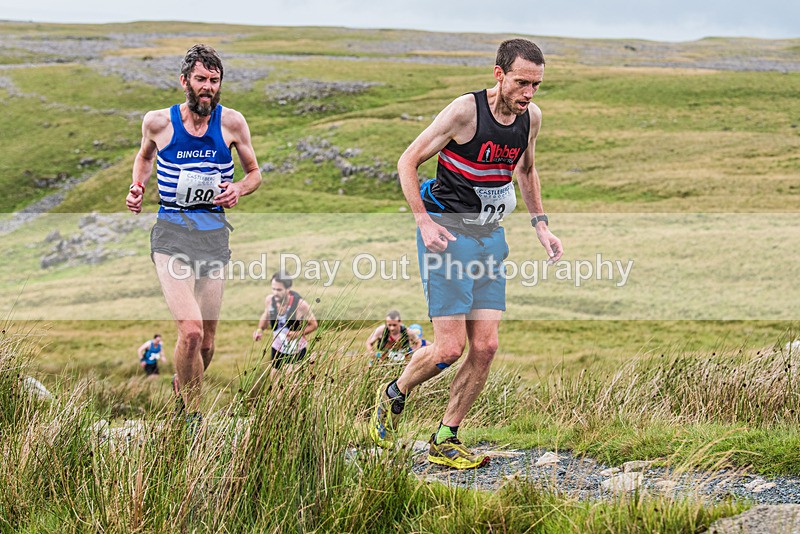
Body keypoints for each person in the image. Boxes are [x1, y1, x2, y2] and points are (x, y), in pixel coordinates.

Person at [370, 39, 563, 469]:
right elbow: (408, 161)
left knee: (487, 346)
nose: (528, 93)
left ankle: (445, 436)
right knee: (449, 348)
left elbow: (527, 170)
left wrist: (541, 224)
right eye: (521, 82)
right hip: (448, 235)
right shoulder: (465, 112)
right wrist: (423, 221)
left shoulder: (531, 118)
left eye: (536, 84)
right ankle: (395, 393)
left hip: (490, 238)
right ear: (499, 74)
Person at [126, 44, 262, 424]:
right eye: (200, 79)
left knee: (206, 343)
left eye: (214, 81)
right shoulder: (158, 122)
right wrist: (137, 186)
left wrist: (239, 188)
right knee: (189, 331)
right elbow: (145, 156)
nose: (207, 88)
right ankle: (192, 421)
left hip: (214, 237)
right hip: (171, 233)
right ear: (184, 81)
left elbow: (254, 173)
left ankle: (182, 384)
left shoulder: (232, 123)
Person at [253, 273, 318, 376]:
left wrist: (297, 333)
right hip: (277, 347)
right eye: (273, 289)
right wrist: (260, 330)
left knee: (290, 378)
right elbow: (266, 315)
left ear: (288, 289)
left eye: (279, 290)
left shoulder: (301, 305)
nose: (275, 292)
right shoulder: (270, 300)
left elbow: (314, 325)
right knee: (274, 378)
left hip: (296, 349)